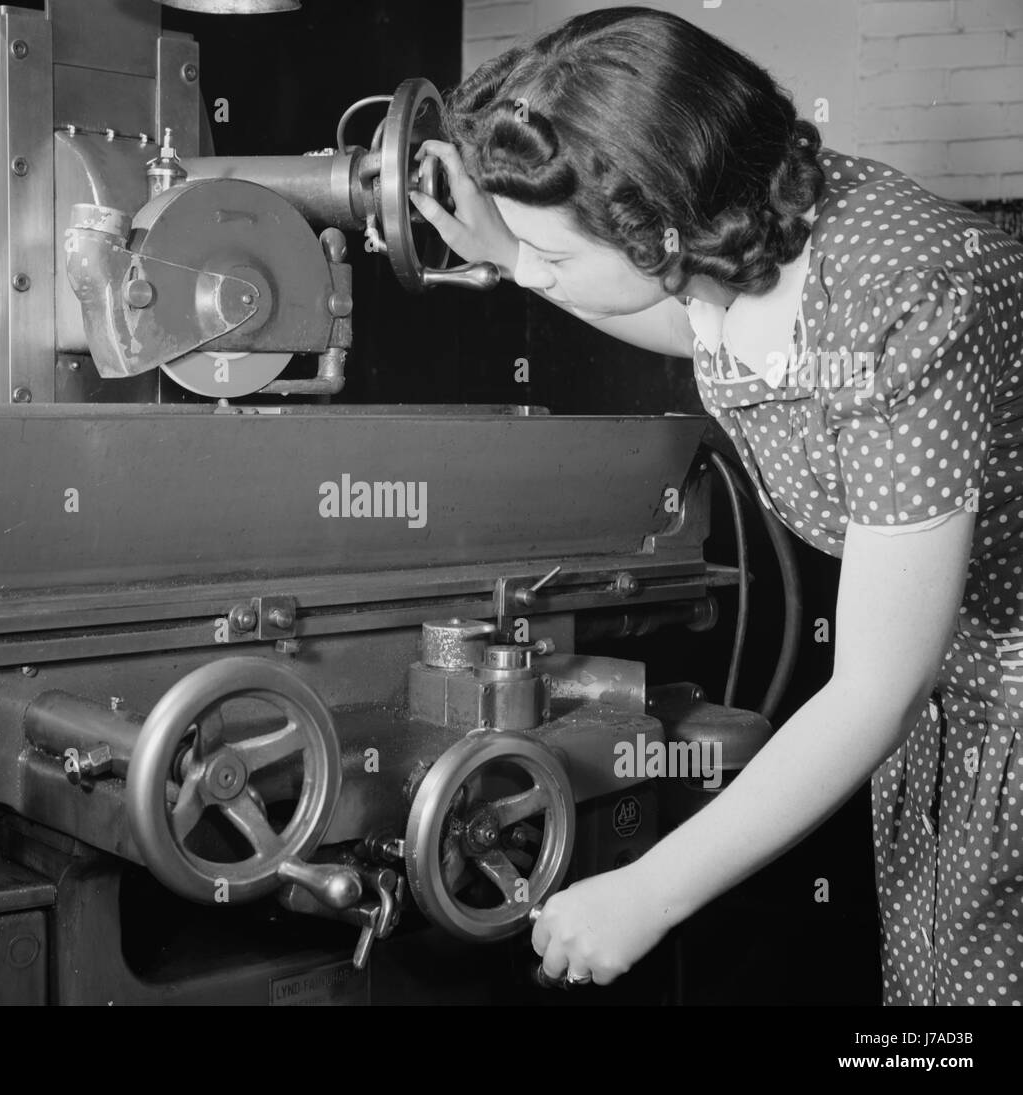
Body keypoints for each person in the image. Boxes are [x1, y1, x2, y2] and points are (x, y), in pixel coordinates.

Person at [409, 6, 1023, 1005]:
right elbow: (688, 320)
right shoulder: (730, 239)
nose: (539, 274)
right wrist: (517, 254)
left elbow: (874, 689)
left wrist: (648, 892)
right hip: (955, 663)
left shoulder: (906, 299)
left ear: (653, 229)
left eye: (554, 256)